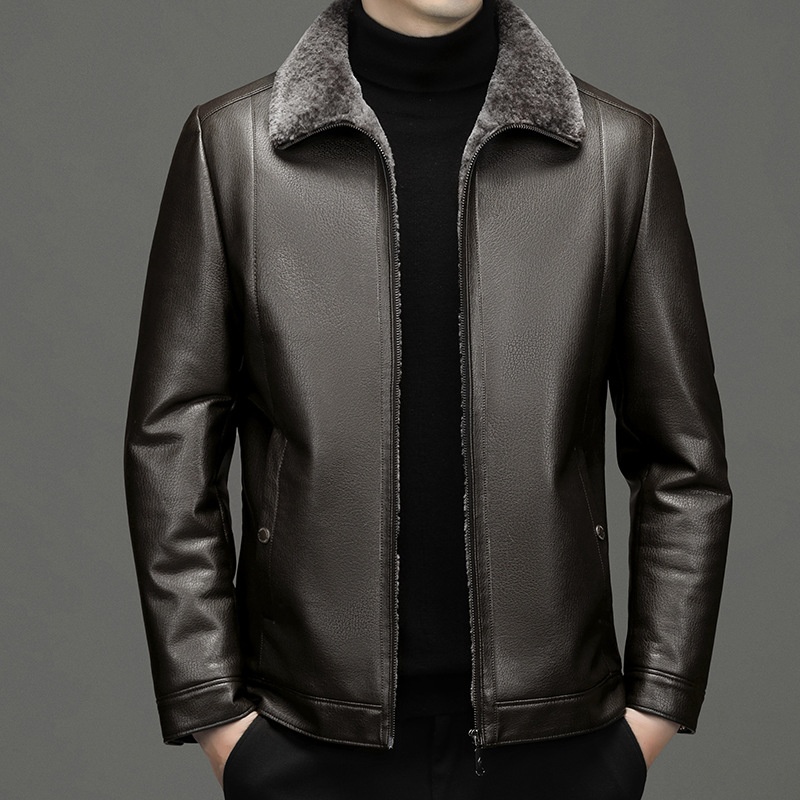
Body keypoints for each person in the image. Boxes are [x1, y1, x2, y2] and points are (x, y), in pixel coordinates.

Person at [122, 0, 733, 797]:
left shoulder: (618, 154)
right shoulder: (234, 151)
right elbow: (170, 447)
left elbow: (684, 461)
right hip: (308, 743)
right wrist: (217, 716)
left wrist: (653, 710)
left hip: (560, 746)